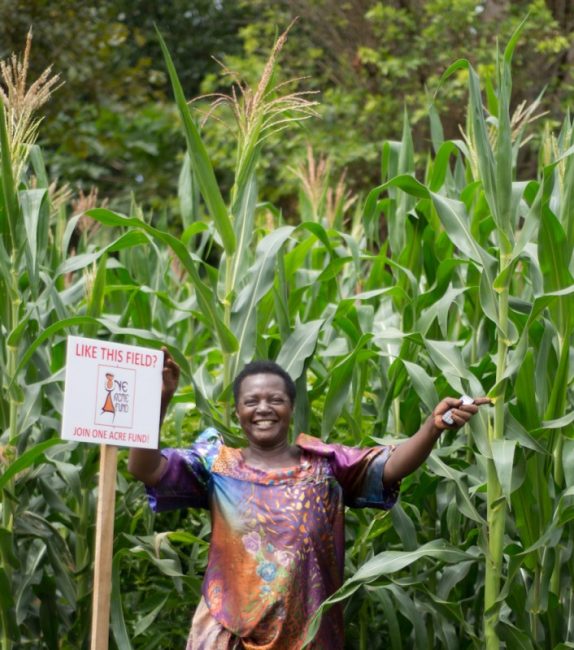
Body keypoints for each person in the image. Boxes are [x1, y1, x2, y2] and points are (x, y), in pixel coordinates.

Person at [128, 350, 490, 649]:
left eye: (275, 399)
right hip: (229, 636)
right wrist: (157, 402)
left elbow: (391, 466)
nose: (263, 408)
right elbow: (146, 468)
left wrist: (431, 428)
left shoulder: (327, 465)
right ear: (238, 412)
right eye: (251, 401)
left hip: (308, 638)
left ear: (291, 407)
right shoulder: (217, 465)